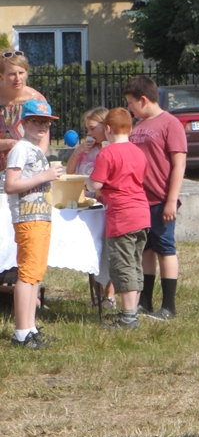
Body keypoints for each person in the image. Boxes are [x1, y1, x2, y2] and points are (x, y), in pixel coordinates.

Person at [125, 76, 187, 320]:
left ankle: (169, 306)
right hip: (140, 200)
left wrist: (171, 200)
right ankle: (145, 302)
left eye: (131, 103)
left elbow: (178, 164)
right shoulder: (137, 126)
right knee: (146, 250)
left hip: (161, 200)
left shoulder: (170, 124)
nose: (129, 108)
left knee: (165, 249)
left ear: (143, 99)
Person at [4, 99, 62, 349]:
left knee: (35, 274)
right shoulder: (21, 148)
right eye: (36, 121)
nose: (41, 126)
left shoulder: (35, 149)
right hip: (28, 218)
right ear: (24, 123)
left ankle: (31, 328)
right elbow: (11, 184)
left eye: (45, 123)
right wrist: (45, 176)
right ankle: (21, 333)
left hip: (40, 216)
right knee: (26, 276)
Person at [86, 108, 150, 331]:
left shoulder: (108, 153)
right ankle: (131, 313)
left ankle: (128, 318)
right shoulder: (138, 151)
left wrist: (86, 184)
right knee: (135, 264)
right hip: (142, 214)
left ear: (108, 129)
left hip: (121, 216)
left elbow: (95, 184)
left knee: (122, 267)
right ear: (131, 129)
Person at [67, 106, 115, 309]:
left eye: (92, 128)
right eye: (87, 128)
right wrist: (77, 153)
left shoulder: (110, 149)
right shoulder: (86, 150)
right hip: (88, 205)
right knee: (92, 248)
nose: (88, 133)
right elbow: (70, 173)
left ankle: (110, 294)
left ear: (106, 127)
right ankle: (96, 293)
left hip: (105, 205)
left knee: (108, 250)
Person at [0, 50, 47, 173]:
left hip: (25, 165)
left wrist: (33, 164)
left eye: (21, 72)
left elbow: (43, 139)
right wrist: (9, 143)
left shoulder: (36, 100)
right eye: (11, 74)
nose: (17, 78)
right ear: (1, 76)